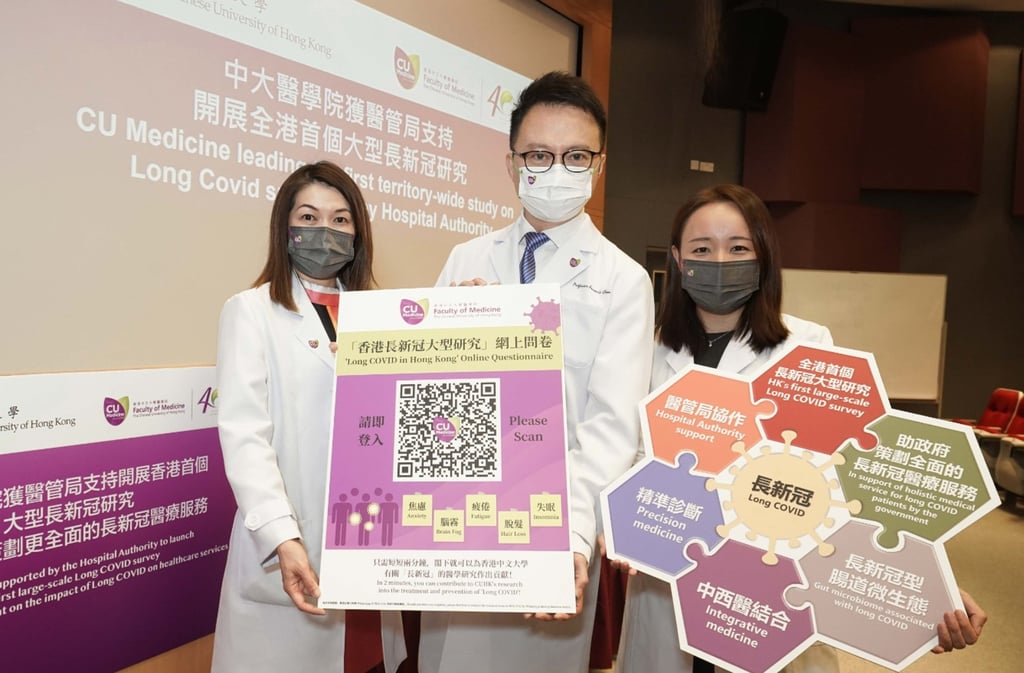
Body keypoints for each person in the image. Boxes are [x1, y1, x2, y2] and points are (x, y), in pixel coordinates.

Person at [614, 184, 988, 673]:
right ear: (680, 261)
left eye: (739, 247)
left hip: (769, 592)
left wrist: (928, 587)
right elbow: (617, 458)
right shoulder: (647, 349)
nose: (720, 260)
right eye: (703, 249)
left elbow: (849, 477)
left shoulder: (807, 350)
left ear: (764, 258)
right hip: (667, 584)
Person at [416, 71, 655, 673]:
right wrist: (454, 338)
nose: (556, 170)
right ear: (511, 163)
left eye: (575, 156)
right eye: (539, 155)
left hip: (552, 524)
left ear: (598, 165)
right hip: (458, 519)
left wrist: (571, 533)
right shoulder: (466, 259)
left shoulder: (623, 279)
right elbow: (424, 396)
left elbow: (611, 427)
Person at [211, 161, 401, 673]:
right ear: (286, 228)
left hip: (369, 537)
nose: (326, 231)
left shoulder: (380, 314)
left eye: (341, 220)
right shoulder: (249, 312)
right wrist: (283, 538)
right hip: (293, 544)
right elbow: (245, 437)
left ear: (358, 233)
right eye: (310, 216)